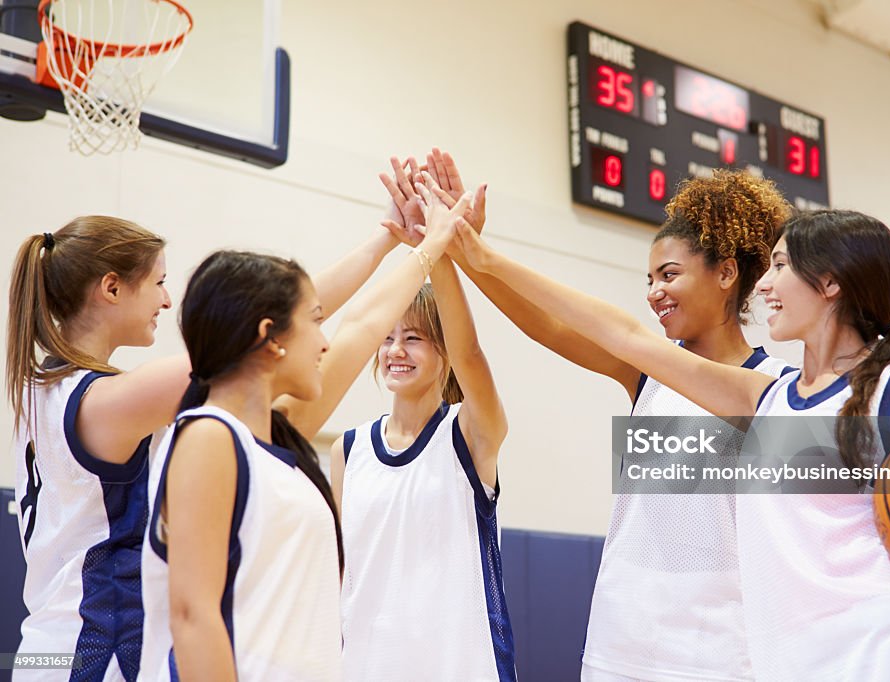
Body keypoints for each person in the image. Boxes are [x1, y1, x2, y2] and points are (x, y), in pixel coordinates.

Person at [453, 207, 890, 680]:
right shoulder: (766, 401)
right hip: (787, 659)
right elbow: (619, 334)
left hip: (884, 646)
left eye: (779, 266)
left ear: (830, 283)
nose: (766, 284)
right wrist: (480, 257)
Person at [5, 210, 440, 681]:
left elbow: (279, 323)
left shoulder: (41, 389)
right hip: (94, 647)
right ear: (111, 288)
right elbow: (253, 332)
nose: (167, 300)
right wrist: (402, 246)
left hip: (48, 643)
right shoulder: (108, 402)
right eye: (158, 282)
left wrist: (387, 241)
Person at [425, 150, 794, 681]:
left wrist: (481, 254)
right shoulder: (646, 376)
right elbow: (549, 326)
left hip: (720, 653)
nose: (654, 292)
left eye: (669, 274)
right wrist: (465, 251)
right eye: (648, 279)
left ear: (726, 274)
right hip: (621, 641)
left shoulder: (776, 390)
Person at [138, 187, 470, 680]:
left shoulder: (274, 438)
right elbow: (193, 617)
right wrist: (429, 249)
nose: (325, 340)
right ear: (271, 340)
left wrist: (414, 244)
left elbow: (363, 324)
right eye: (314, 322)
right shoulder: (209, 437)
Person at [333, 168, 515, 680]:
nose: (395, 350)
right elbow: (339, 571)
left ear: (442, 351)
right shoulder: (347, 450)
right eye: (388, 337)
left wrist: (440, 252)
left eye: (413, 338)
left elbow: (471, 352)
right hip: (363, 665)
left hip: (460, 665)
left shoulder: (470, 432)